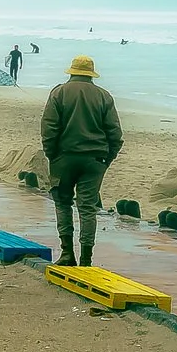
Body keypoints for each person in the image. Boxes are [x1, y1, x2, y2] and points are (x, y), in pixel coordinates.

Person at [40, 55, 123, 267]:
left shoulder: (59, 93)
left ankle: (67, 253)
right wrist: (107, 159)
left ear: (72, 72)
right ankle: (86, 258)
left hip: (64, 158)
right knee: (87, 208)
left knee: (63, 203)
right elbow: (115, 133)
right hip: (94, 160)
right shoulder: (104, 96)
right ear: (91, 74)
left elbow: (49, 128)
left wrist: (52, 155)